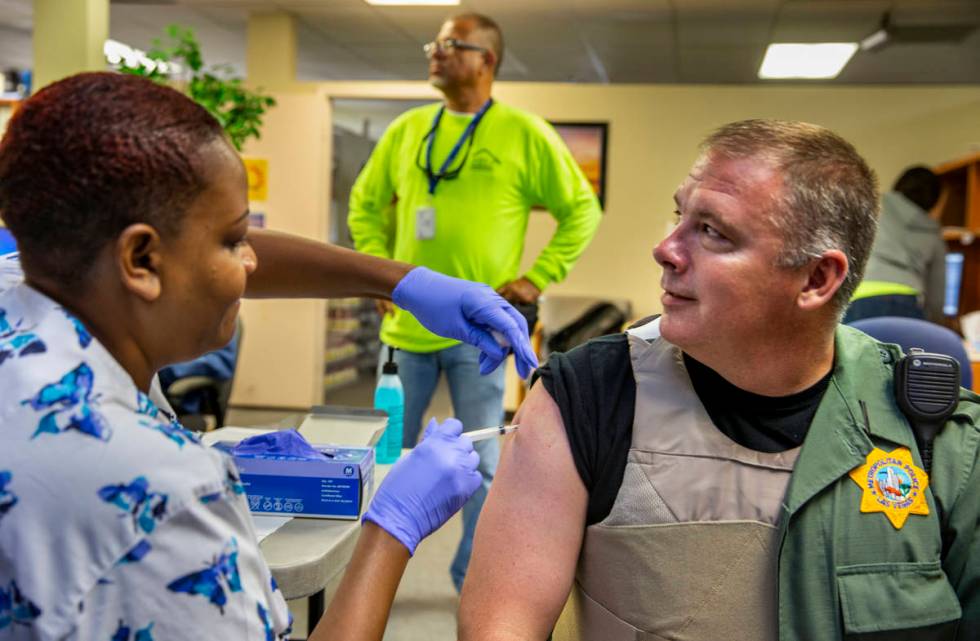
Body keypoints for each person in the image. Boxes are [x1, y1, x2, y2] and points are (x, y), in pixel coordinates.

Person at [0, 71, 537, 641]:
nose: (251, 265)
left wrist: (402, 282)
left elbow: (200, 247)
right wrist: (391, 530)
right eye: (234, 241)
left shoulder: (22, 287)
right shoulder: (163, 492)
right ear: (140, 259)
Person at [459, 120, 980, 640]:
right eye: (680, 214)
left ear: (817, 279)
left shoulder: (939, 436)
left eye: (712, 231)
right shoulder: (587, 396)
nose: (665, 249)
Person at [348, 12, 602, 591]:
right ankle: (365, 576)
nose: (434, 52)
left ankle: (473, 580)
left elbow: (581, 210)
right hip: (404, 336)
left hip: (478, 337)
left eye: (450, 44)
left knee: (485, 466)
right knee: (381, 462)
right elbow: (364, 203)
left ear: (486, 60)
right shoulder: (409, 128)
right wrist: (380, 272)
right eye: (433, 43)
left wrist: (539, 277)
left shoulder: (524, 132)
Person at [845, 165, 947, 323]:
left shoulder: (872, 208)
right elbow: (937, 298)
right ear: (934, 200)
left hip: (860, 297)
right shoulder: (934, 234)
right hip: (908, 302)